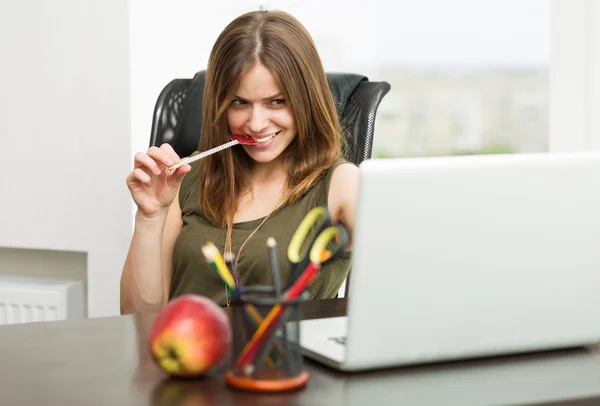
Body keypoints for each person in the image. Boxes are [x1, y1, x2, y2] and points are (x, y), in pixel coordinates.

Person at [120, 9, 359, 314]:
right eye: (239, 102)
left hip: (279, 359)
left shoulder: (342, 184)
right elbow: (137, 318)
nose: (256, 123)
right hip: (184, 355)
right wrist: (149, 217)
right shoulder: (189, 175)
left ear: (307, 100)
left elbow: (398, 290)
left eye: (277, 101)